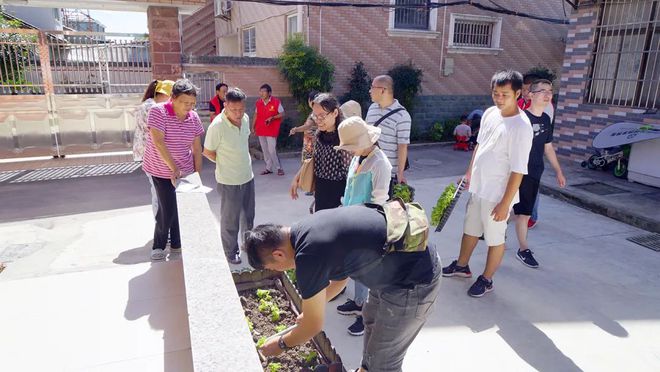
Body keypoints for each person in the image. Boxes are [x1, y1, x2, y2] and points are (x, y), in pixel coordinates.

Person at [246, 205, 441, 372]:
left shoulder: (308, 256)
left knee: (383, 365)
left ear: (278, 255)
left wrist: (281, 344)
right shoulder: (305, 229)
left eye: (273, 268)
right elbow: (340, 279)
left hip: (413, 282)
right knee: (371, 327)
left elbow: (313, 327)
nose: (278, 270)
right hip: (394, 273)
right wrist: (310, 312)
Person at [441, 70, 533, 297]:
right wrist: (469, 174)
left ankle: (487, 279)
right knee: (470, 229)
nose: (499, 99)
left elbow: (518, 170)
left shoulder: (521, 127)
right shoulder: (491, 113)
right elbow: (480, 146)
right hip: (479, 188)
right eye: (495, 93)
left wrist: (505, 203)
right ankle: (462, 266)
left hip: (498, 195)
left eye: (505, 94)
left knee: (495, 239)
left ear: (518, 93)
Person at [333, 116, 392, 337]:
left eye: (352, 146)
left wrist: (364, 225)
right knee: (355, 269)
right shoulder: (359, 157)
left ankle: (367, 316)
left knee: (367, 272)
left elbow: (379, 201)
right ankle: (358, 303)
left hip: (366, 227)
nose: (350, 151)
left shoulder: (380, 163)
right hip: (351, 221)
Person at [142, 79, 204, 261]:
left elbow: (197, 148)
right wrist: (173, 168)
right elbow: (158, 142)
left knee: (182, 208)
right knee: (167, 207)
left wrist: (197, 175)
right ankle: (158, 245)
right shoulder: (158, 112)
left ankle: (177, 244)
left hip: (184, 170)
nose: (189, 107)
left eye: (192, 103)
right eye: (185, 103)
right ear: (173, 98)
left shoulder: (193, 117)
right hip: (159, 168)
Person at [513, 79, 566, 268]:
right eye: (542, 91)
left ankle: (523, 249)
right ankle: (494, 237)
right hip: (515, 172)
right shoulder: (520, 118)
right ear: (530, 95)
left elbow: (548, 147)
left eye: (550, 91)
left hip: (534, 171)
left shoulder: (545, 119)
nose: (547, 94)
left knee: (524, 213)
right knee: (506, 209)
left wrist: (558, 171)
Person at [203, 88, 255, 265]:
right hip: (229, 180)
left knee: (248, 216)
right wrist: (225, 163)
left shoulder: (246, 119)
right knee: (229, 219)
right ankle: (230, 251)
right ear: (225, 106)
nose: (239, 114)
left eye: (241, 109)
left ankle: (248, 245)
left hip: (247, 175)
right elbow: (208, 151)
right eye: (234, 110)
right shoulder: (217, 126)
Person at [290, 93, 352, 212]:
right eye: (315, 116)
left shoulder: (344, 138)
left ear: (335, 113)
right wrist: (297, 178)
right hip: (320, 190)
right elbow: (311, 159)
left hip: (338, 194)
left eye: (322, 116)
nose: (318, 120)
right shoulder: (318, 135)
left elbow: (350, 173)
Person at [133, 79, 174, 217]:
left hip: (149, 153)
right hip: (152, 155)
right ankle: (161, 227)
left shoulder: (148, 104)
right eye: (172, 97)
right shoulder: (152, 108)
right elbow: (159, 137)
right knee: (158, 193)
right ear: (164, 94)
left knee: (158, 191)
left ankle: (162, 226)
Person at [365, 75, 411, 195]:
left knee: (383, 211)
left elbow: (402, 146)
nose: (369, 91)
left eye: (372, 87)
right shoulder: (372, 108)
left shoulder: (402, 116)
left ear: (382, 90)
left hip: (387, 174)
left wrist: (400, 173)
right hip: (367, 170)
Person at [253, 83, 285, 176]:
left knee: (272, 150)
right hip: (261, 129)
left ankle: (279, 168)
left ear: (269, 93)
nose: (261, 93)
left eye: (264, 91)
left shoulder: (276, 102)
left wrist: (273, 118)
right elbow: (256, 115)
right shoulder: (258, 102)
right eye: (260, 91)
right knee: (265, 150)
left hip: (271, 130)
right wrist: (253, 126)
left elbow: (282, 113)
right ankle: (268, 168)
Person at [289, 90, 320, 163]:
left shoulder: (314, 114)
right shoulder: (320, 112)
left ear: (310, 101)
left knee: (307, 166)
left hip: (311, 144)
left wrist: (295, 129)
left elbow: (307, 126)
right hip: (316, 142)